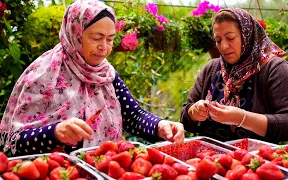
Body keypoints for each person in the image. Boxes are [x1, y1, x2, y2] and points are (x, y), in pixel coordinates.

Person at [0, 0, 184, 156]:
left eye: (110, 39)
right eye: (96, 38)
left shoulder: (106, 74)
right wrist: (54, 132)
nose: (104, 48)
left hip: (100, 169)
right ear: (75, 33)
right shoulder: (43, 74)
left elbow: (133, 116)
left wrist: (160, 125)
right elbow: (15, 142)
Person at [180, 8, 288, 144]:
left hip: (257, 160)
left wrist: (242, 118)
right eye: (218, 40)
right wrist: (194, 112)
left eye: (230, 38)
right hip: (209, 159)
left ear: (247, 35)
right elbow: (185, 119)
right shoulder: (212, 68)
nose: (224, 46)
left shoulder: (273, 68)